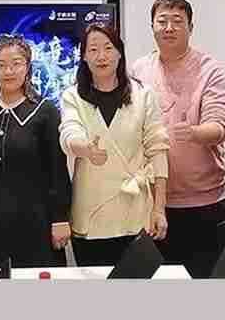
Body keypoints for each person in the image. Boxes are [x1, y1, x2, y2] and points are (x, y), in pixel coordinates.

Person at [131, 0, 225, 278]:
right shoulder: (139, 69)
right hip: (153, 203)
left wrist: (195, 132)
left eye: (177, 21)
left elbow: (220, 125)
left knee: (203, 282)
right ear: (152, 26)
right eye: (162, 21)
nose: (169, 28)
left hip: (203, 202)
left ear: (191, 27)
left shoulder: (209, 69)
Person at [59, 23, 169, 266]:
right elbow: (69, 132)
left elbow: (158, 150)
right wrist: (85, 148)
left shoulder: (143, 94)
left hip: (136, 212)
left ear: (120, 52)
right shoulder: (73, 96)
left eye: (108, 48)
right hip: (91, 212)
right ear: (84, 56)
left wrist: (159, 209)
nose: (101, 56)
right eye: (93, 49)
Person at [0, 34, 72, 268]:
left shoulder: (45, 110)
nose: (8, 71)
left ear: (28, 67)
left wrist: (60, 218)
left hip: (38, 219)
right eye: (1, 65)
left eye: (16, 64)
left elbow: (58, 170)